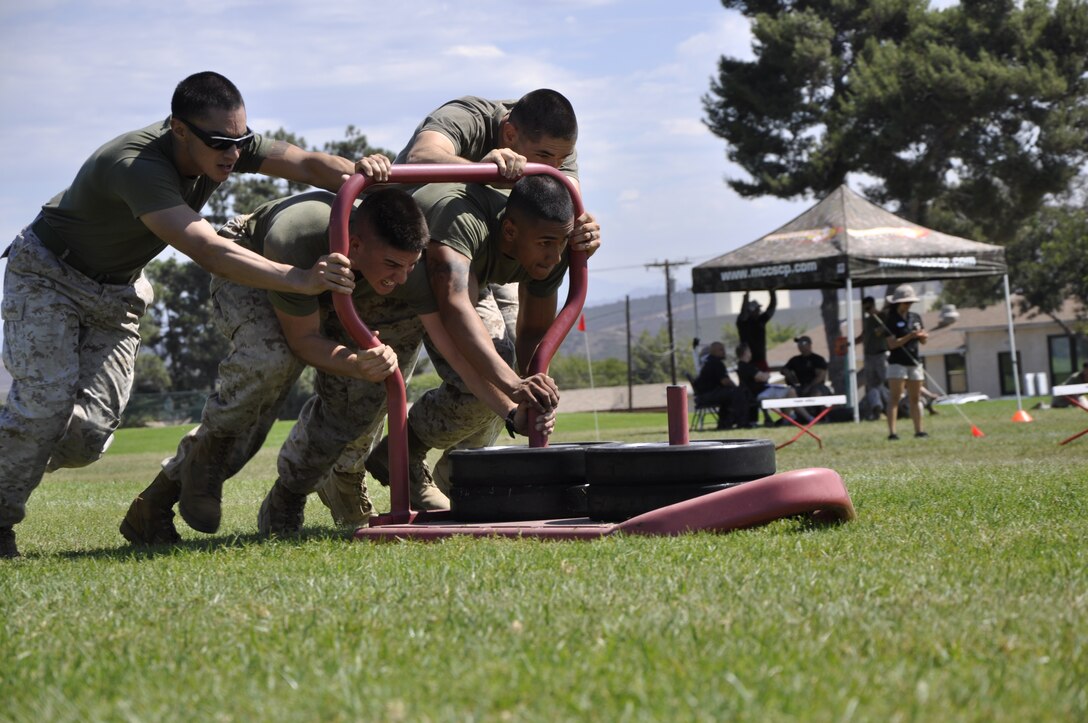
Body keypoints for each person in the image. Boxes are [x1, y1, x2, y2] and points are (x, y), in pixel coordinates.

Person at [0, 71, 369, 559]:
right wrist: (298, 278)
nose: (233, 155)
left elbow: (305, 162)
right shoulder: (136, 166)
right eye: (220, 143)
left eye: (240, 142)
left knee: (86, 440)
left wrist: (365, 175)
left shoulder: (222, 142)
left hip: (117, 290)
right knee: (43, 407)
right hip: (50, 275)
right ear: (178, 129)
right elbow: (207, 248)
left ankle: (17, 443)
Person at [119, 186, 432, 544]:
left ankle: (288, 497)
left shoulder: (404, 259)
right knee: (270, 362)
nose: (403, 277)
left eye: (411, 265)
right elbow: (302, 343)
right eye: (393, 265)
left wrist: (365, 368)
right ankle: (182, 480)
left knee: (360, 398)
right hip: (258, 260)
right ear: (356, 246)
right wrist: (354, 362)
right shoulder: (296, 238)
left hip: (337, 281)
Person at [361, 90, 601, 492]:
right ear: (509, 134)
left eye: (563, 159)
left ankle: (459, 472)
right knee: (363, 398)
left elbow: (559, 206)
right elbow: (419, 158)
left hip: (493, 255)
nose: (555, 168)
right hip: (421, 253)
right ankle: (366, 470)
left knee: (510, 371)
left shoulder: (554, 155)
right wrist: (478, 167)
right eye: (545, 157)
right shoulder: (469, 117)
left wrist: (531, 390)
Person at [883, 284, 929, 440]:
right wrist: (910, 336)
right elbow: (892, 344)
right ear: (898, 302)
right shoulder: (890, 320)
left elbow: (923, 342)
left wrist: (922, 337)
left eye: (910, 302)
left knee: (915, 398)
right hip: (897, 363)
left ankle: (919, 430)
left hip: (914, 361)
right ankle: (893, 433)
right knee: (895, 397)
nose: (908, 305)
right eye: (905, 302)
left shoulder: (915, 318)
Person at [690, 342, 751, 429]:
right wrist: (736, 388)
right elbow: (725, 381)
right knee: (738, 393)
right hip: (707, 396)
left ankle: (725, 423)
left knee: (730, 394)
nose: (724, 352)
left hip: (703, 396)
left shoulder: (709, 361)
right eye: (721, 350)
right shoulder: (716, 363)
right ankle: (742, 422)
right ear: (714, 351)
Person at [736, 342, 796, 425]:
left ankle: (788, 418)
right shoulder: (746, 366)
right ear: (745, 352)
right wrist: (765, 375)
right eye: (749, 351)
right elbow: (763, 377)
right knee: (791, 391)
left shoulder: (742, 366)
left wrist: (762, 376)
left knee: (788, 392)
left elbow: (758, 377)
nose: (751, 353)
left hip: (760, 392)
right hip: (760, 393)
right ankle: (790, 418)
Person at [855, 295, 890, 420]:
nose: (867, 311)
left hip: (881, 355)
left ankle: (891, 407)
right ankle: (877, 408)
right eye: (865, 309)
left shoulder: (882, 317)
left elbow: (888, 331)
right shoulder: (867, 321)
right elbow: (863, 335)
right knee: (871, 384)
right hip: (869, 356)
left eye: (869, 307)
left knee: (886, 382)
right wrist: (852, 342)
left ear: (873, 305)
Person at [736, 289, 777, 371]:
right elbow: (743, 312)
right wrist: (746, 296)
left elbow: (771, 308)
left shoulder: (760, 320)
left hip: (760, 360)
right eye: (756, 309)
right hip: (748, 362)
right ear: (751, 311)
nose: (759, 311)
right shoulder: (743, 323)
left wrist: (772, 292)